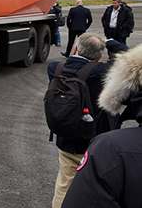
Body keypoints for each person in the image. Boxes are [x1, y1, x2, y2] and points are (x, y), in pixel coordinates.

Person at [47, 33, 112, 208]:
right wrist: (117, 49)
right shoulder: (102, 73)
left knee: (64, 183)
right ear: (99, 56)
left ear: (75, 49)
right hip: (95, 140)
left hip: (66, 137)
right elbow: (126, 67)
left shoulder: (55, 69)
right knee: (96, 186)